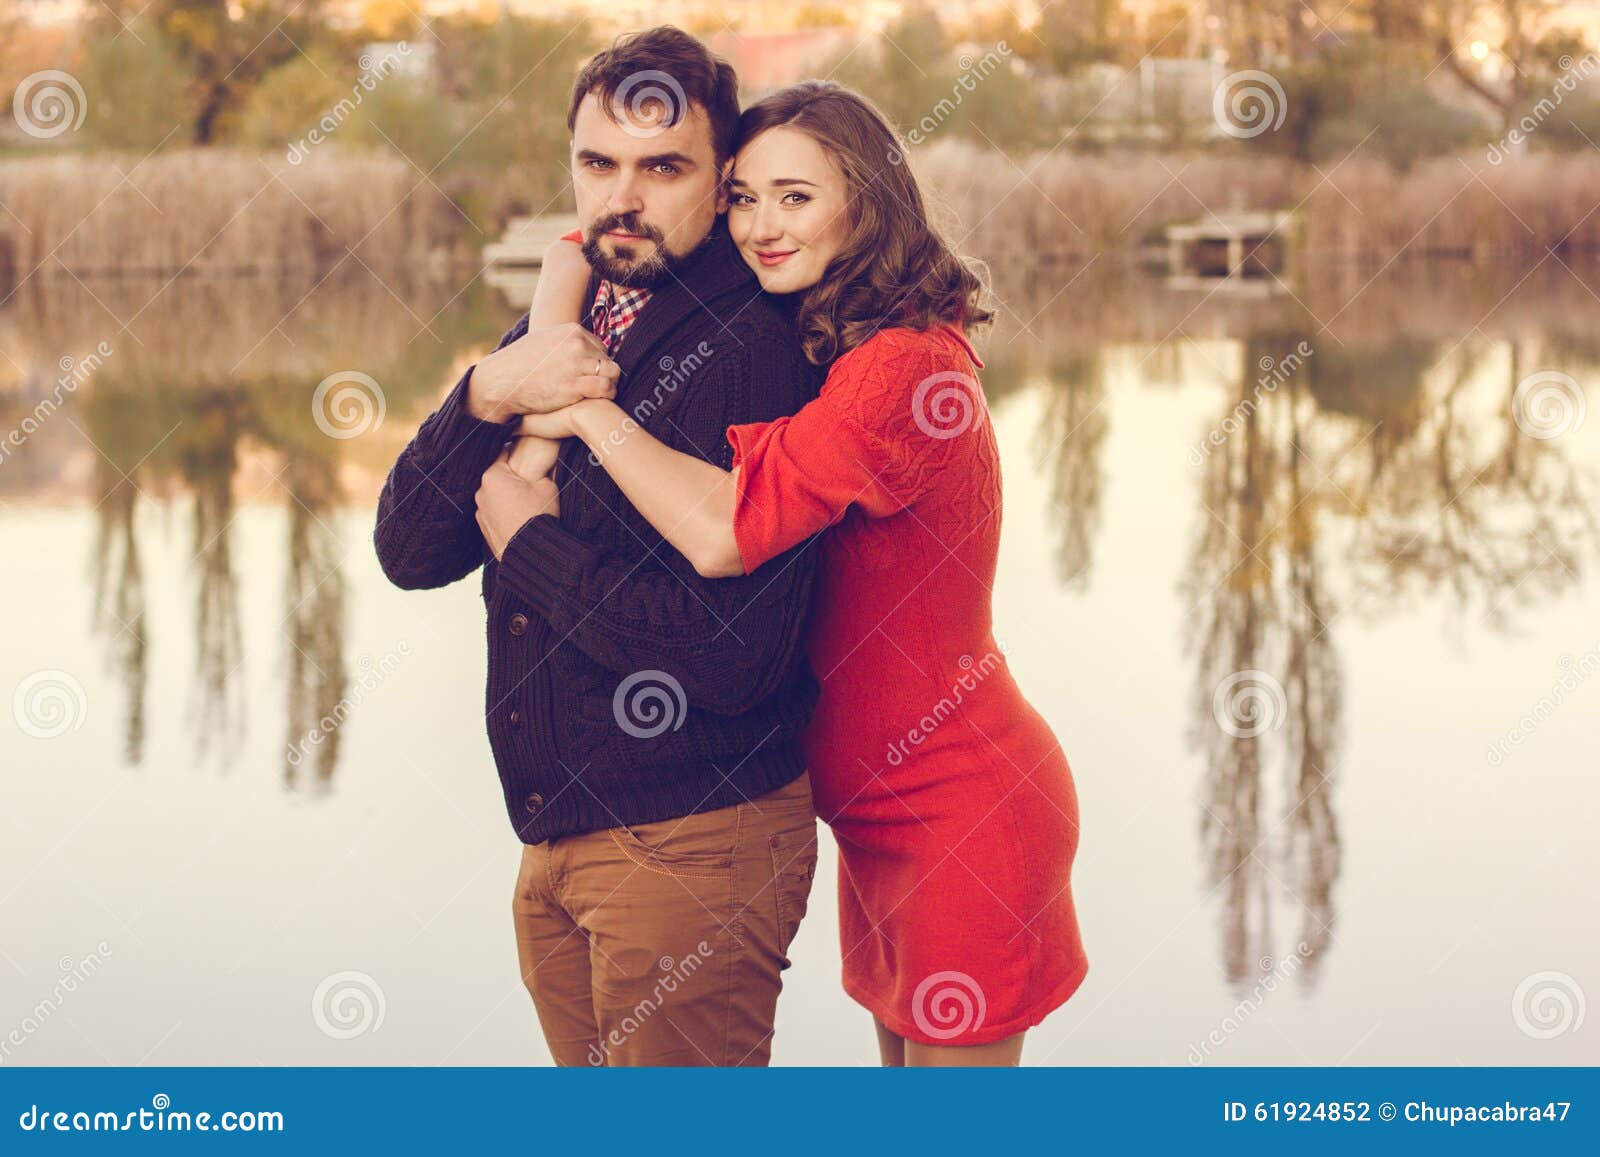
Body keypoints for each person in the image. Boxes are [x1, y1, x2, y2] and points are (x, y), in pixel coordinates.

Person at [513, 80, 1088, 1067]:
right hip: (875, 818)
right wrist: (555, 321)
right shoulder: (841, 340)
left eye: (795, 196)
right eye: (741, 196)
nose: (761, 225)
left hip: (961, 814)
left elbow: (728, 532)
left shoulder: (901, 368)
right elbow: (578, 244)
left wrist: (582, 414)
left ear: (864, 202)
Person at [373, 27, 825, 1067]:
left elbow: (731, 654)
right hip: (557, 846)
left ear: (724, 186)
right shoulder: (569, 320)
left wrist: (530, 545)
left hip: (692, 840)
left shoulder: (758, 348)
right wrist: (489, 390)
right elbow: (410, 546)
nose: (624, 197)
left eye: (663, 168)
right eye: (598, 164)